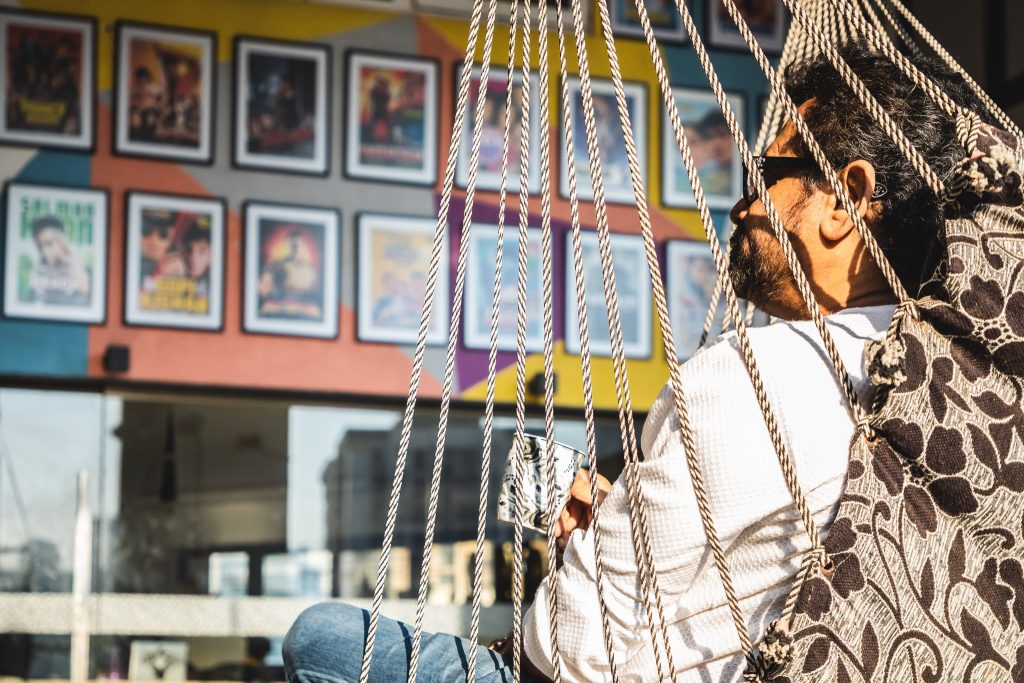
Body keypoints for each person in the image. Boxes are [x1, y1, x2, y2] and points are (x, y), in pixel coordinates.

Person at [282, 42, 987, 683]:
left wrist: (582, 551)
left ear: (847, 199)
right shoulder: (928, 383)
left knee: (322, 639)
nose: (741, 204)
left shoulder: (757, 373)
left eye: (766, 173)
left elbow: (572, 645)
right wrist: (621, 521)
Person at [27, 214, 90, 305]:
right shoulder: (38, 277)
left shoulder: (86, 272)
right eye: (40, 246)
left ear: (63, 239)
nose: (45, 252)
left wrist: (77, 271)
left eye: (49, 243)